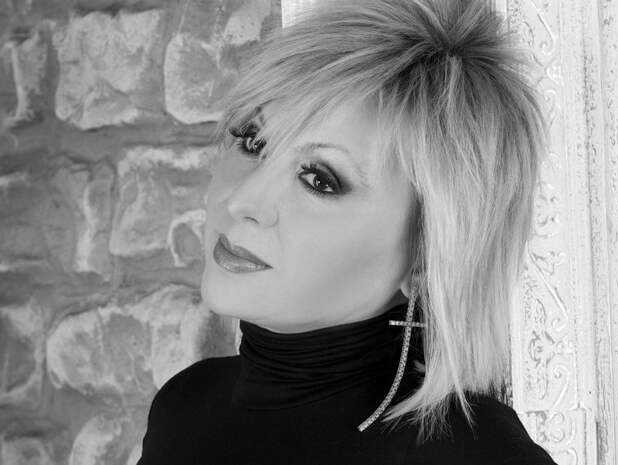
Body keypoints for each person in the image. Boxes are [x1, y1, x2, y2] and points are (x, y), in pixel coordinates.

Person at [137, 0, 558, 463]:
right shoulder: (185, 407)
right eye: (253, 142)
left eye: (319, 179)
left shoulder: (471, 453)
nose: (242, 200)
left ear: (428, 255)